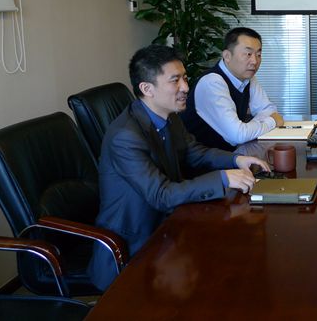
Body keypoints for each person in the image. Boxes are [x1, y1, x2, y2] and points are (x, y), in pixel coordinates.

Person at [88, 45, 270, 290]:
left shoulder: (169, 115)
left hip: (170, 229)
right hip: (135, 246)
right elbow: (161, 195)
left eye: (185, 78)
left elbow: (194, 153)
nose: (185, 87)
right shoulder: (125, 136)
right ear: (147, 89)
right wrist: (223, 178)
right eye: (175, 81)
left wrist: (236, 160)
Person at [181, 27, 284, 150]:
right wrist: (272, 121)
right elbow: (238, 135)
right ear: (227, 56)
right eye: (248, 54)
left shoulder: (247, 77)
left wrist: (248, 128)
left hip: (232, 154)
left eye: (258, 55)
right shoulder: (212, 82)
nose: (254, 61)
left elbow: (269, 110)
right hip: (204, 158)